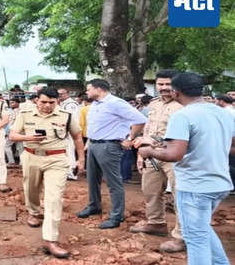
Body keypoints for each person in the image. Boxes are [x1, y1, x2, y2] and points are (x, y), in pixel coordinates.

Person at [138, 72, 234, 265]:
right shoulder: (222, 112)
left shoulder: (183, 115)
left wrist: (149, 151)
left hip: (195, 185)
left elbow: (175, 154)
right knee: (201, 229)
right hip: (219, 183)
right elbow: (232, 146)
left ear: (175, 92)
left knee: (195, 238)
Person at [10, 87, 85, 258]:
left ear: (57, 101)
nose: (47, 106)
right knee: (31, 189)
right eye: (43, 102)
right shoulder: (25, 113)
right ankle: (33, 212)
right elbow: (13, 135)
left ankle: (50, 239)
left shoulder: (66, 115)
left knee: (54, 198)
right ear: (37, 100)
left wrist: (81, 159)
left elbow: (77, 137)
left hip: (57, 159)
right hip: (31, 157)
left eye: (52, 102)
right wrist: (28, 138)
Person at [76, 79, 147, 229]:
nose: (87, 92)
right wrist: (89, 143)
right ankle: (94, 205)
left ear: (99, 89)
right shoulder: (95, 104)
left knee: (113, 182)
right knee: (92, 178)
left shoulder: (116, 103)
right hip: (94, 144)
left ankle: (116, 216)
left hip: (109, 146)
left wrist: (130, 138)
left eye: (89, 89)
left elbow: (140, 119)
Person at [130, 70, 185, 252]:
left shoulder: (184, 105)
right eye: (160, 84)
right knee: (151, 190)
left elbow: (180, 137)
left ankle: (182, 237)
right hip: (152, 155)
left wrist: (150, 144)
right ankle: (156, 223)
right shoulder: (154, 104)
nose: (163, 88)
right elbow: (147, 131)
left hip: (174, 156)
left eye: (167, 84)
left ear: (176, 85)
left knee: (180, 196)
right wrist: (141, 154)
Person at [58, 88, 80, 180]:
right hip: (65, 131)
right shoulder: (64, 104)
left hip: (70, 131)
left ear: (67, 94)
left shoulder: (71, 104)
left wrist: (67, 130)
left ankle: (71, 173)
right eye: (58, 94)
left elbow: (72, 119)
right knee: (66, 151)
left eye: (61, 94)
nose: (60, 96)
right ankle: (68, 171)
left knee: (69, 151)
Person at [5, 98, 22, 167]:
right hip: (21, 132)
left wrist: (8, 133)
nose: (11, 104)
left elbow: (11, 123)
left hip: (13, 132)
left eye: (13, 102)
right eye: (10, 103)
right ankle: (22, 163)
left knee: (6, 146)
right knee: (21, 148)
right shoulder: (22, 111)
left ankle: (11, 162)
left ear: (18, 103)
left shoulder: (13, 112)